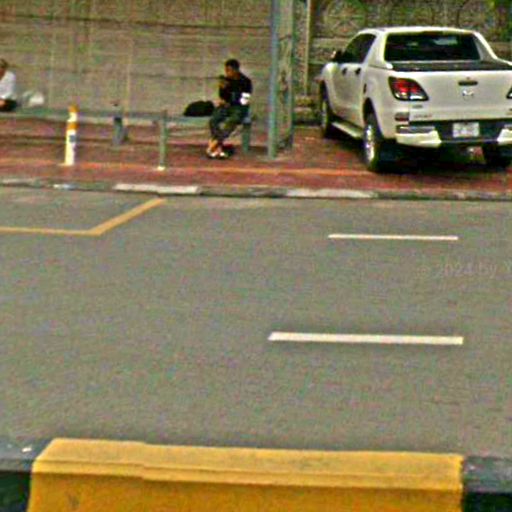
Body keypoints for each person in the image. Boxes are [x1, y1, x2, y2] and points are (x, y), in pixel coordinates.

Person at [207, 59, 252, 159]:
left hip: (239, 107)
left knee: (233, 120)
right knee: (213, 120)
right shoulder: (226, 80)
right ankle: (219, 145)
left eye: (229, 70)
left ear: (236, 70)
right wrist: (223, 89)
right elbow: (222, 97)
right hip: (226, 106)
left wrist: (233, 101)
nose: (228, 73)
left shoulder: (245, 82)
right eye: (226, 70)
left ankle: (216, 143)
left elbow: (245, 100)